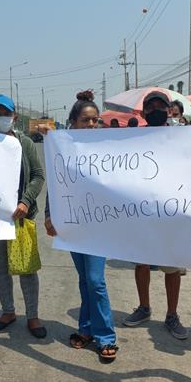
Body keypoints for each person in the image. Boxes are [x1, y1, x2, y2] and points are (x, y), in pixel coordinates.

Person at [44, 90, 118, 361]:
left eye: (95, 120)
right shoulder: (62, 150)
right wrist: (50, 214)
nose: (91, 125)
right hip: (75, 226)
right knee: (85, 280)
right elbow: (55, 184)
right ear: (72, 122)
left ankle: (106, 336)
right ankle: (86, 330)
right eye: (85, 120)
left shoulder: (107, 149)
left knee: (96, 281)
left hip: (99, 227)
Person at [122, 93, 188, 340]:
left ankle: (172, 314)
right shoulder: (134, 138)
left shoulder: (182, 137)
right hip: (142, 211)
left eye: (161, 105)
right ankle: (144, 307)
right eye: (151, 106)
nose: (156, 109)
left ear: (170, 110)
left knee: (171, 266)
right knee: (141, 263)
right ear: (143, 112)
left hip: (170, 211)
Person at [0, 94, 47, 339]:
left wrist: (26, 201)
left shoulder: (25, 143)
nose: (2, 117)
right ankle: (8, 311)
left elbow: (38, 175)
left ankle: (32, 315)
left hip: (21, 216)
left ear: (15, 116)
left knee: (27, 269)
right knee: (0, 267)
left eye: (6, 113)